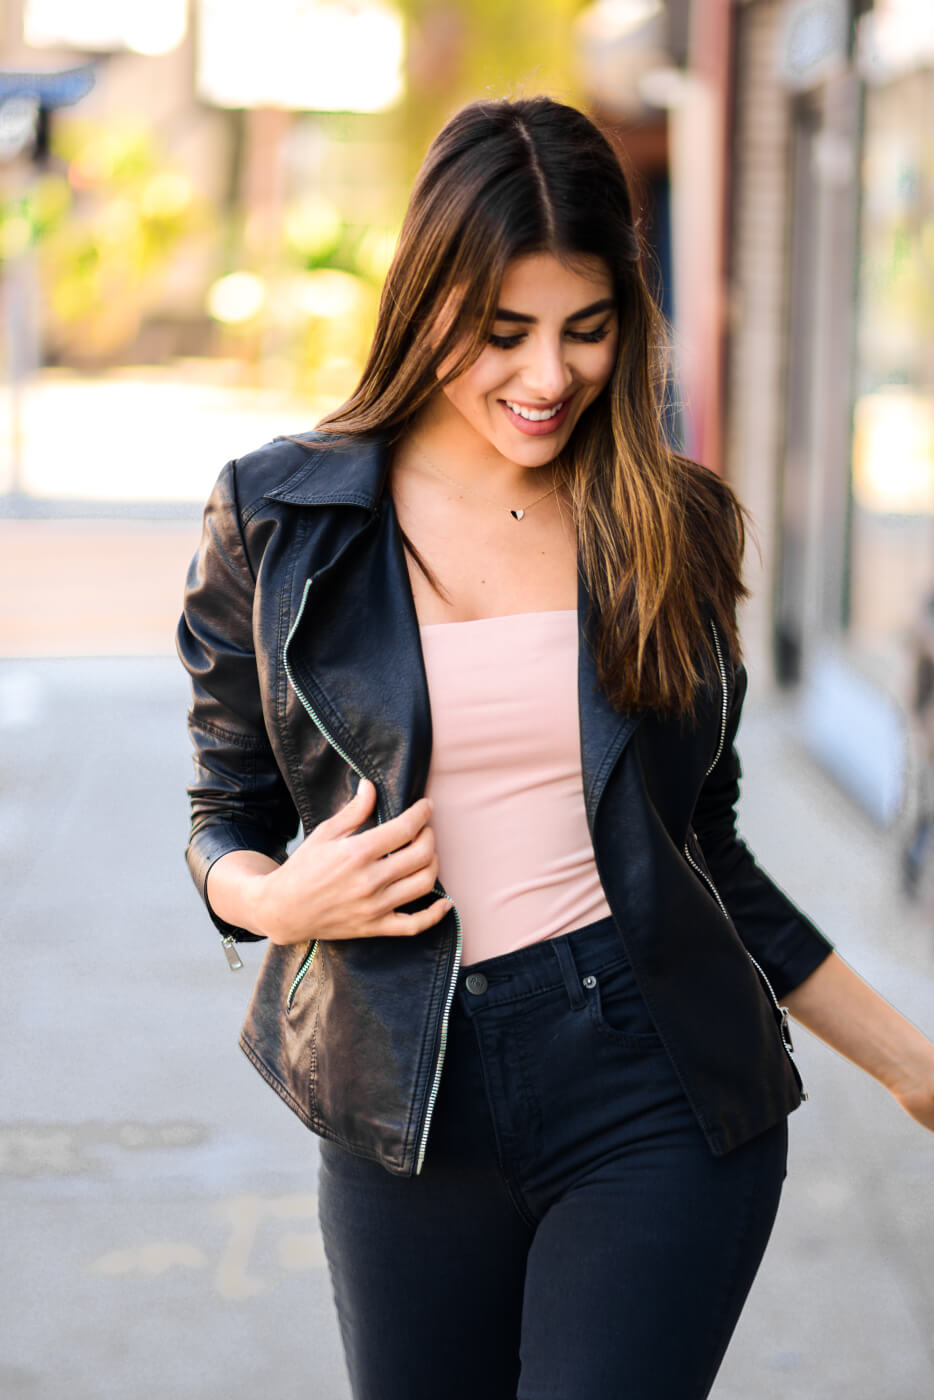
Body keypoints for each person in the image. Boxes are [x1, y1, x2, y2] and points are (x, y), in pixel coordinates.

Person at [177, 96, 934, 1400]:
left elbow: (702, 854)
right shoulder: (281, 515)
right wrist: (272, 897)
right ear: (426, 305)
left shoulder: (671, 522)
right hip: (400, 1098)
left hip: (651, 1084)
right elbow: (223, 803)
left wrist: (912, 1066)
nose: (547, 378)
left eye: (585, 331)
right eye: (502, 333)